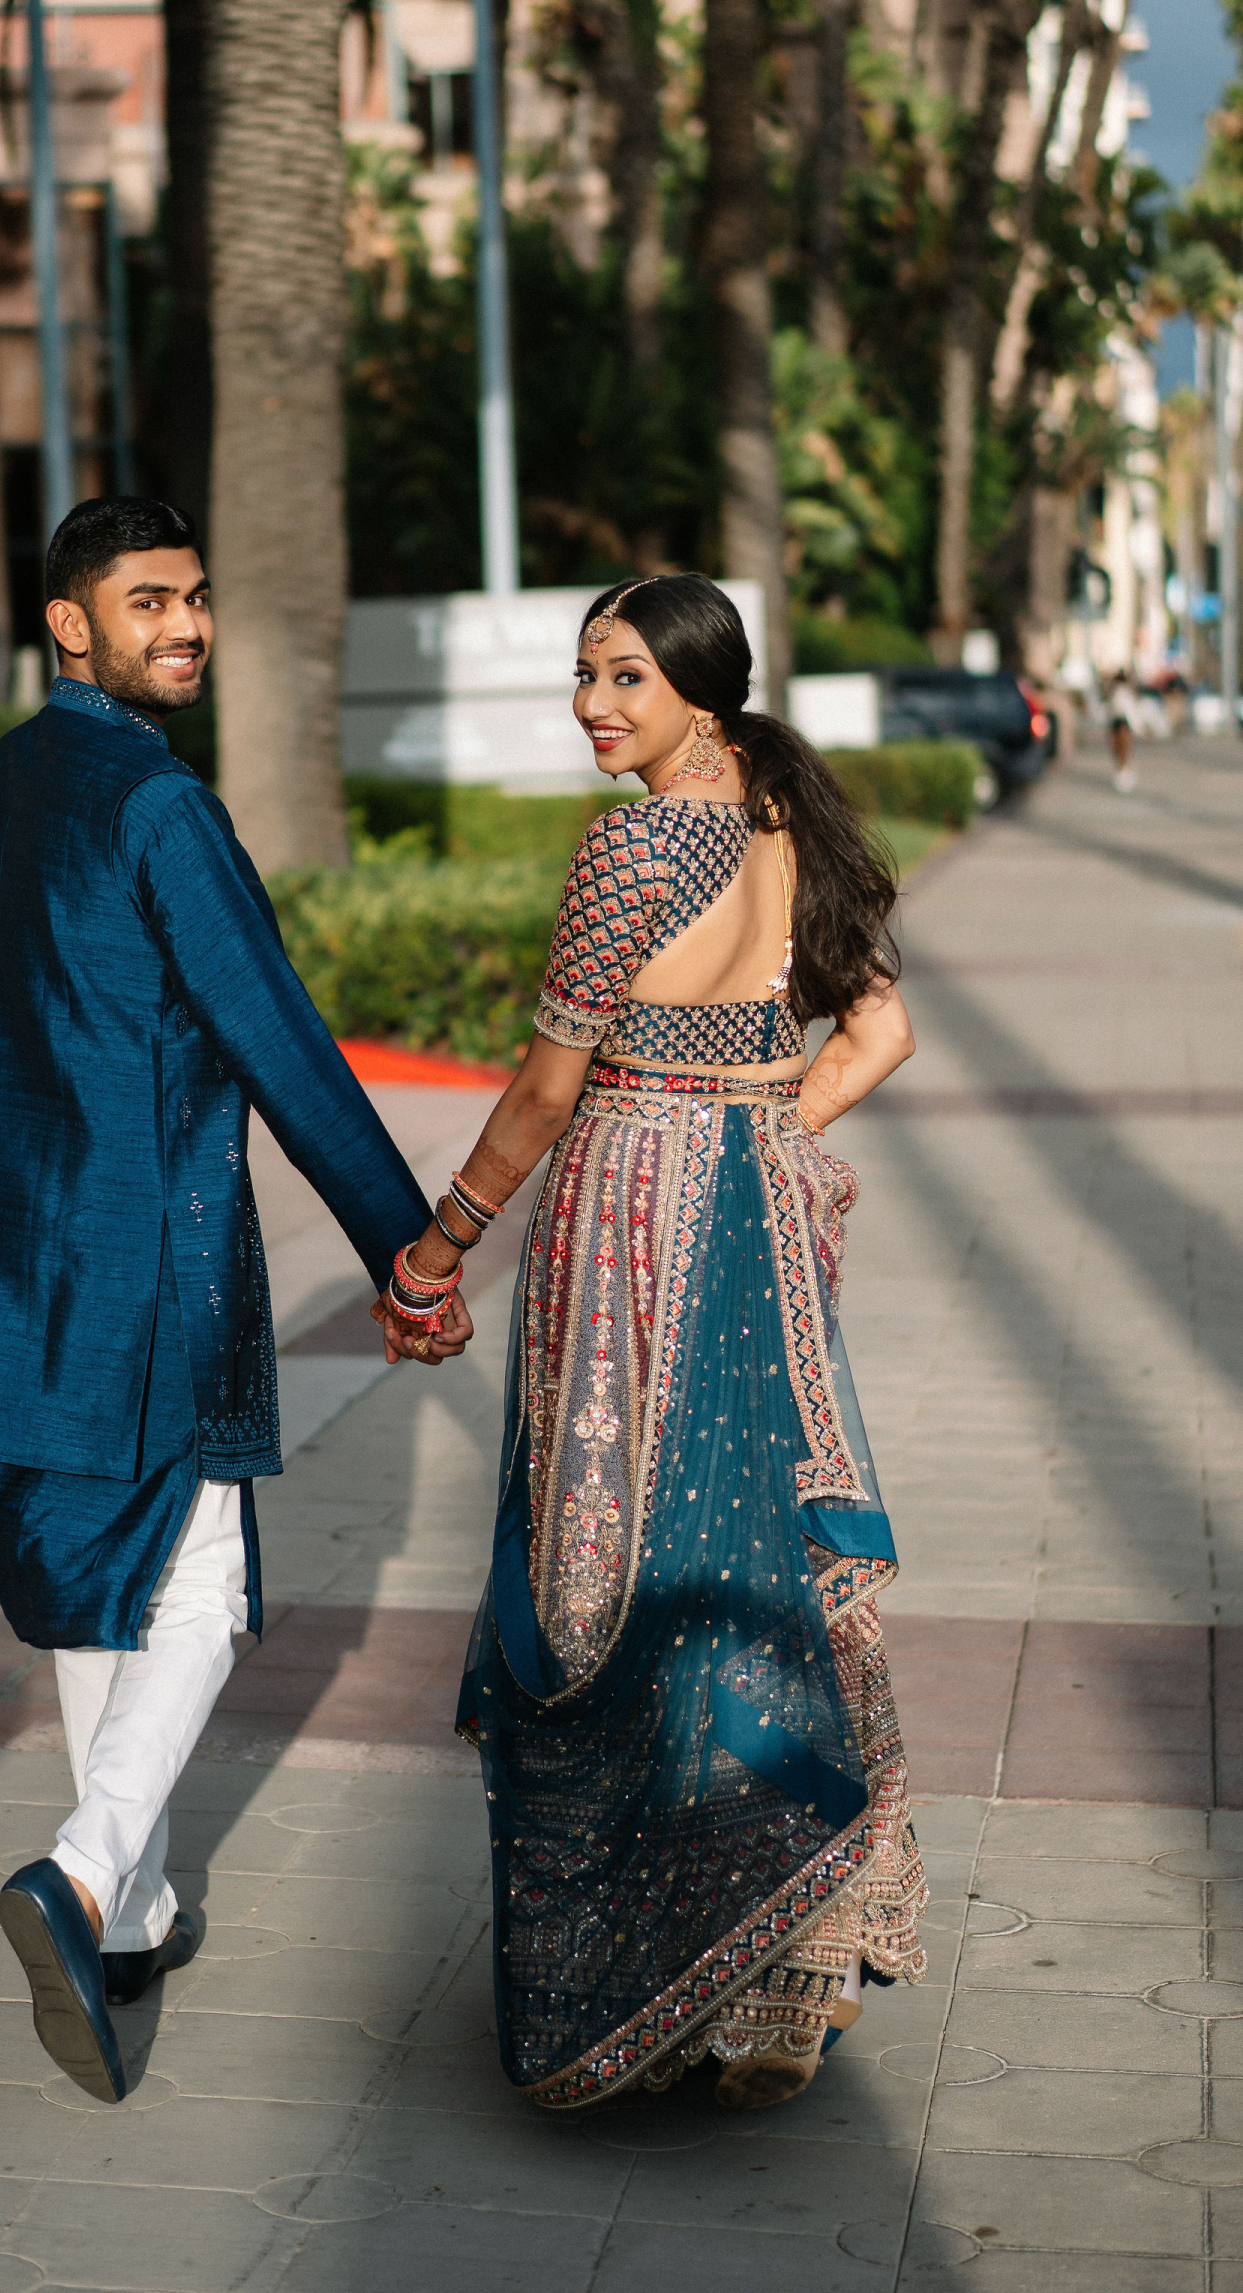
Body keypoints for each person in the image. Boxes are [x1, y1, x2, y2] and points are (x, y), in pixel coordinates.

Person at [0, 493, 452, 2107]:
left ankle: (137, 1910)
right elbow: (277, 1039)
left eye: (196, 597)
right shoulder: (159, 810)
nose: (186, 625)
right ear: (71, 623)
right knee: (194, 1582)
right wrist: (410, 1241)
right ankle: (83, 1866)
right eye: (150, 601)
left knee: (84, 1581)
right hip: (145, 1263)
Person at [374, 574, 928, 2112]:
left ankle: (640, 1995)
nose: (593, 706)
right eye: (583, 675)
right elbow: (876, 1033)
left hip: (635, 1231)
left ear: (699, 687)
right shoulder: (788, 816)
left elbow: (547, 1095)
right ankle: (776, 1984)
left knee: (602, 1589)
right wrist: (761, 1128)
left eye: (624, 677)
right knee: (762, 1569)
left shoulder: (638, 843)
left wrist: (436, 1250)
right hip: (753, 1215)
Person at [1107, 670, 1139, 792]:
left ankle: (1123, 774)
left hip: (1121, 723)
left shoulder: (1120, 693)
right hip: (1119, 723)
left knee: (1121, 750)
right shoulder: (1117, 693)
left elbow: (1129, 711)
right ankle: (1123, 774)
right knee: (1121, 751)